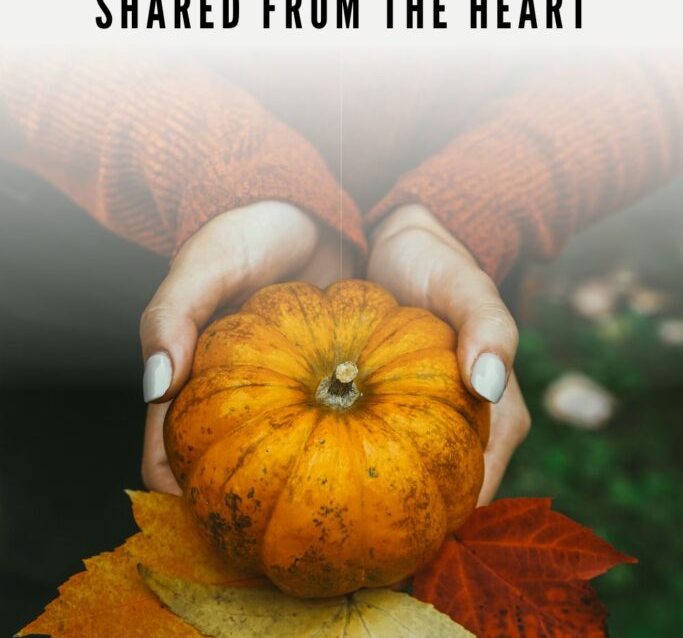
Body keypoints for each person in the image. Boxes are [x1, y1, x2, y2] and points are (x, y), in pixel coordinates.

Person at [1, 49, 681, 505]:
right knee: (53, 540)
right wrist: (208, 156)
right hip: (76, 247)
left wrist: (479, 198)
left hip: (430, 282)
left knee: (367, 555)